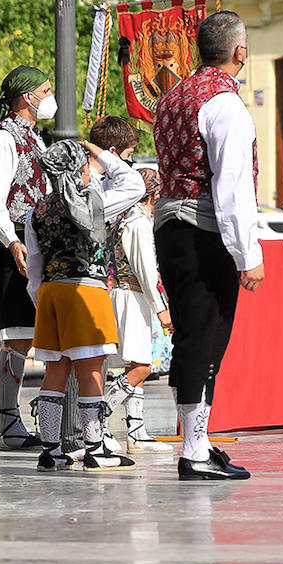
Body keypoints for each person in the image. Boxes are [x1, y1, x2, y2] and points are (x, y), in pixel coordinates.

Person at [153, 10, 262, 480]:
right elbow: (233, 187)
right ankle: (194, 450)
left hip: (170, 224)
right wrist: (249, 256)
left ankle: (198, 442)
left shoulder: (174, 95)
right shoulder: (225, 104)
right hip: (203, 229)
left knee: (192, 335)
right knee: (206, 336)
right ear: (240, 52)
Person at [25, 139, 144, 473]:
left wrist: (40, 298)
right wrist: (97, 150)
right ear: (80, 167)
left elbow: (34, 264)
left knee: (56, 370)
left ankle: (51, 450)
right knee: (90, 370)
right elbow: (133, 183)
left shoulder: (38, 211)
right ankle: (95, 448)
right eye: (88, 164)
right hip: (85, 291)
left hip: (50, 293)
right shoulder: (95, 203)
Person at [0, 65, 54, 451]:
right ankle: (8, 423)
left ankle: (54, 421)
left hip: (41, 246)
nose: (49, 96)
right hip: (15, 249)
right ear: (27, 96)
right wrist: (11, 242)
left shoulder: (36, 140)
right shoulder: (1, 140)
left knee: (47, 335)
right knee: (17, 337)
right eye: (45, 90)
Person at [103, 162, 174, 454]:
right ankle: (98, 416)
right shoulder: (138, 222)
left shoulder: (122, 218)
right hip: (132, 296)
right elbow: (146, 270)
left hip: (126, 295)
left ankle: (136, 431)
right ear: (153, 196)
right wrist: (161, 308)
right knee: (142, 368)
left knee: (136, 365)